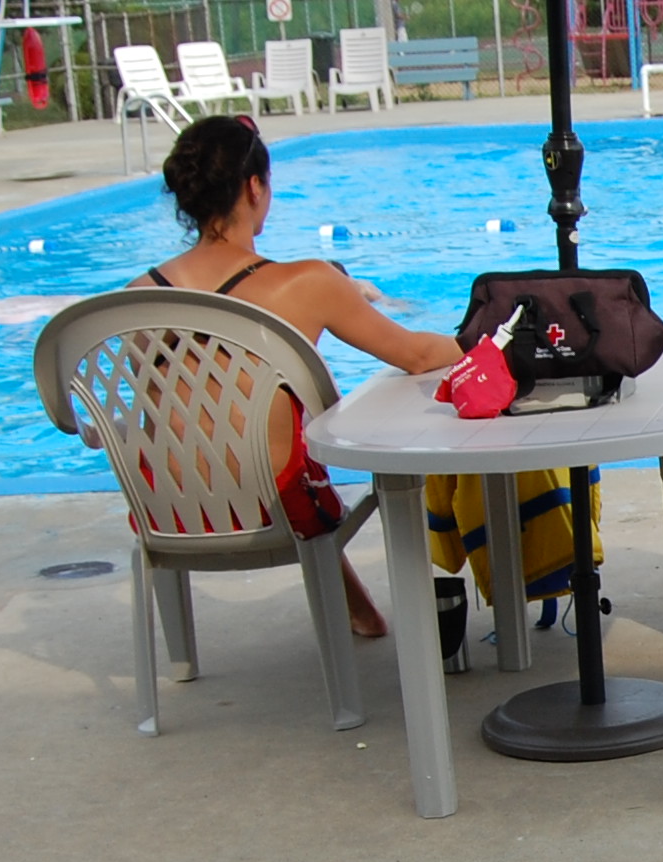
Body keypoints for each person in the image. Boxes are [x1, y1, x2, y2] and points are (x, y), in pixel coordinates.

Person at [133, 115, 462, 637]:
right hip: (275, 507)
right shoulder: (305, 282)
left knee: (250, 442)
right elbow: (417, 356)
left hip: (166, 507)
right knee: (371, 475)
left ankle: (360, 612)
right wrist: (492, 338)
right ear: (254, 187)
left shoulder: (136, 297)